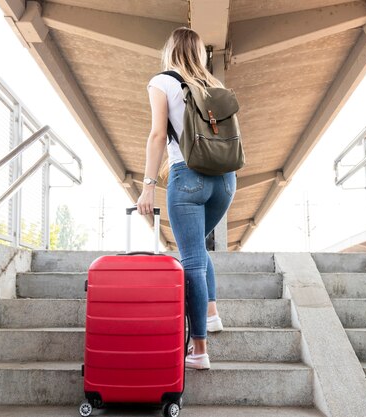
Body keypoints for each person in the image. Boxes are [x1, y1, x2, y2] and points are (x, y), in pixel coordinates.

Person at [136, 27, 237, 370]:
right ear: (200, 54)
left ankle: (199, 350)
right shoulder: (215, 86)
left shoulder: (162, 82)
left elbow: (157, 135)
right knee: (196, 250)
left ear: (170, 51)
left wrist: (148, 184)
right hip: (225, 181)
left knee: (191, 258)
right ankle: (210, 314)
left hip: (188, 177)